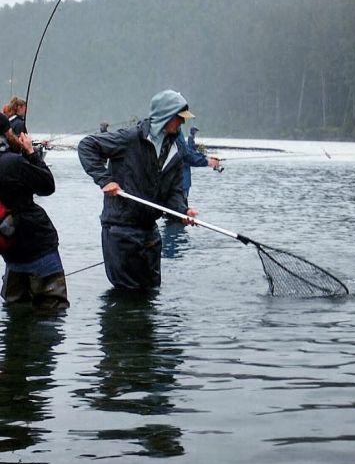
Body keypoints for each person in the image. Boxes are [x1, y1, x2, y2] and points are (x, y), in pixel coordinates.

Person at [77, 89, 199, 290]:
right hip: (120, 231)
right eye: (179, 118)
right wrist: (104, 179)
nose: (183, 123)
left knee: (150, 293)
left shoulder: (176, 153)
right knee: (129, 298)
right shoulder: (129, 139)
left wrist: (183, 211)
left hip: (150, 234)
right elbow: (87, 146)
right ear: (166, 116)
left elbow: (173, 193)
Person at [0, 113, 69, 309]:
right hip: (37, 244)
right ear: (7, 133)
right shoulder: (13, 163)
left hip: (8, 246)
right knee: (52, 310)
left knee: (15, 309)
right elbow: (47, 186)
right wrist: (31, 152)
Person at [178, 126, 220, 204]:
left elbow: (189, 152)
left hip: (183, 182)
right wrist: (207, 161)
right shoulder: (184, 137)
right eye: (195, 131)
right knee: (180, 209)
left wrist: (206, 157)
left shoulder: (179, 134)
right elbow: (187, 153)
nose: (196, 132)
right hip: (181, 184)